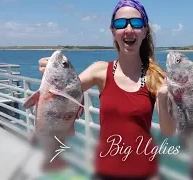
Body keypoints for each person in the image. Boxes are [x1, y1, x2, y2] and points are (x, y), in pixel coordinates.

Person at [38, 0, 176, 179]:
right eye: (120, 24)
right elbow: (65, 93)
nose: (128, 29)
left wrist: (164, 99)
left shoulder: (156, 76)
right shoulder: (100, 70)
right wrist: (51, 74)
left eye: (136, 23)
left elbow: (168, 131)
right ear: (113, 32)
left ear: (144, 31)